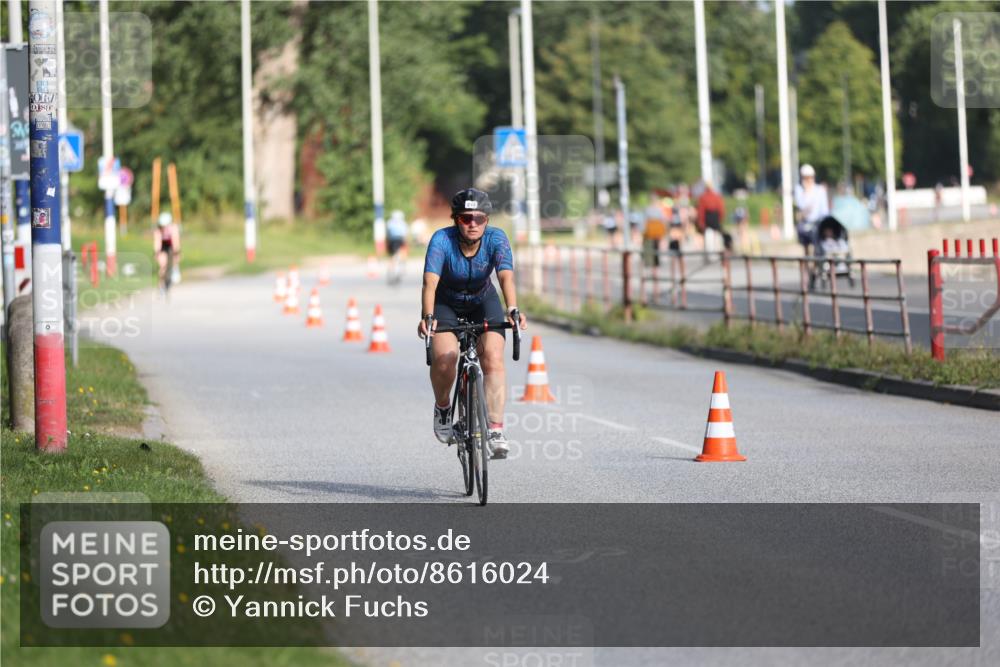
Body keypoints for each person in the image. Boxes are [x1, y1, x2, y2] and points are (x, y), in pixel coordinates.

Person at [418, 188, 528, 459]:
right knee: (445, 358)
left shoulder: (496, 238)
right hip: (446, 302)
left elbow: (506, 276)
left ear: (486, 220)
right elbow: (430, 282)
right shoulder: (442, 240)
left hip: (482, 300)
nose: (473, 224)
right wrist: (427, 316)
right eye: (466, 218)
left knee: (493, 357)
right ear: (456, 219)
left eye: (479, 218)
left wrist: (513, 309)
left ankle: (495, 429)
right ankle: (443, 408)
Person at [793, 164, 829, 254]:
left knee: (818, 237)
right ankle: (808, 259)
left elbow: (824, 211)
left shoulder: (820, 190)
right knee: (805, 235)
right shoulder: (799, 190)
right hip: (805, 224)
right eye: (806, 178)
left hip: (818, 223)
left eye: (810, 177)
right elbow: (801, 207)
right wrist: (806, 192)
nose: (809, 180)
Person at [153, 212, 180, 288]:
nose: (164, 227)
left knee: (174, 262)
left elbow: (176, 241)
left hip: (171, 246)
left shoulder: (173, 228)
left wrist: (177, 252)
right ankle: (161, 283)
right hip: (163, 247)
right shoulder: (158, 230)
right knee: (162, 265)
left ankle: (173, 272)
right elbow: (157, 242)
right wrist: (156, 253)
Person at [696, 182, 726, 251]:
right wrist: (720, 219)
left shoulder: (704, 197)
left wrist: (701, 222)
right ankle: (716, 249)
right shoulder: (716, 196)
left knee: (708, 235)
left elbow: (701, 210)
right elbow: (721, 209)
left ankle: (710, 250)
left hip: (709, 216)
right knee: (715, 234)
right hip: (713, 216)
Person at [386, 209, 409, 284]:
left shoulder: (389, 222)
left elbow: (388, 234)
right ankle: (400, 269)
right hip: (400, 240)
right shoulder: (403, 223)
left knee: (393, 256)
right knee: (401, 255)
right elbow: (405, 234)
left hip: (392, 241)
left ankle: (391, 270)